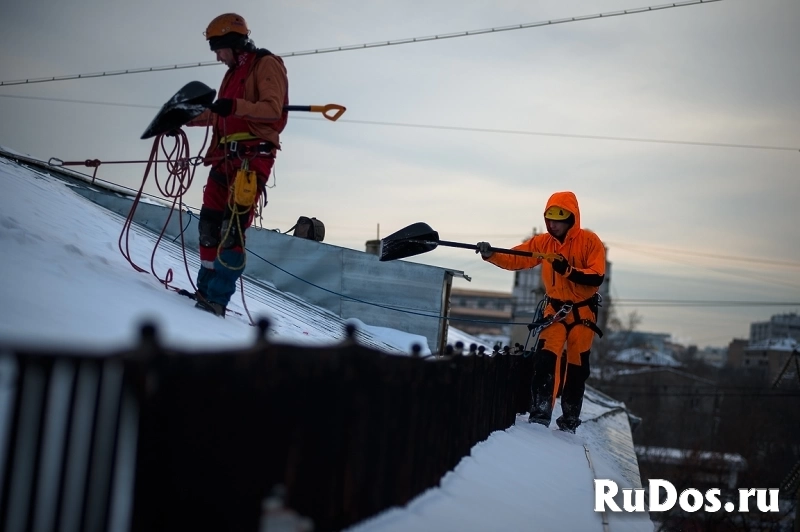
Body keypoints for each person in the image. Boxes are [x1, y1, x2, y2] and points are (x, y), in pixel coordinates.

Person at [185, 13, 289, 317]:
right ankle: (203, 291)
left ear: (231, 43)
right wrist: (186, 119)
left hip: (251, 160)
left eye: (218, 49)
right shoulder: (231, 74)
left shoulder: (265, 64)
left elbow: (272, 111)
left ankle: (217, 300)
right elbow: (222, 114)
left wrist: (235, 105)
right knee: (208, 227)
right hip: (224, 158)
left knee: (232, 232)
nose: (217, 57)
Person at [476, 191, 605, 433]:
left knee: (577, 368)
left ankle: (569, 420)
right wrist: (490, 254)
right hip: (554, 310)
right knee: (545, 361)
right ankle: (540, 414)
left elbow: (596, 276)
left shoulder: (590, 241)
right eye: (550, 219)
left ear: (572, 219)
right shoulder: (542, 243)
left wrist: (566, 269)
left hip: (583, 314)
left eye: (559, 219)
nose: (553, 224)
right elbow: (517, 257)